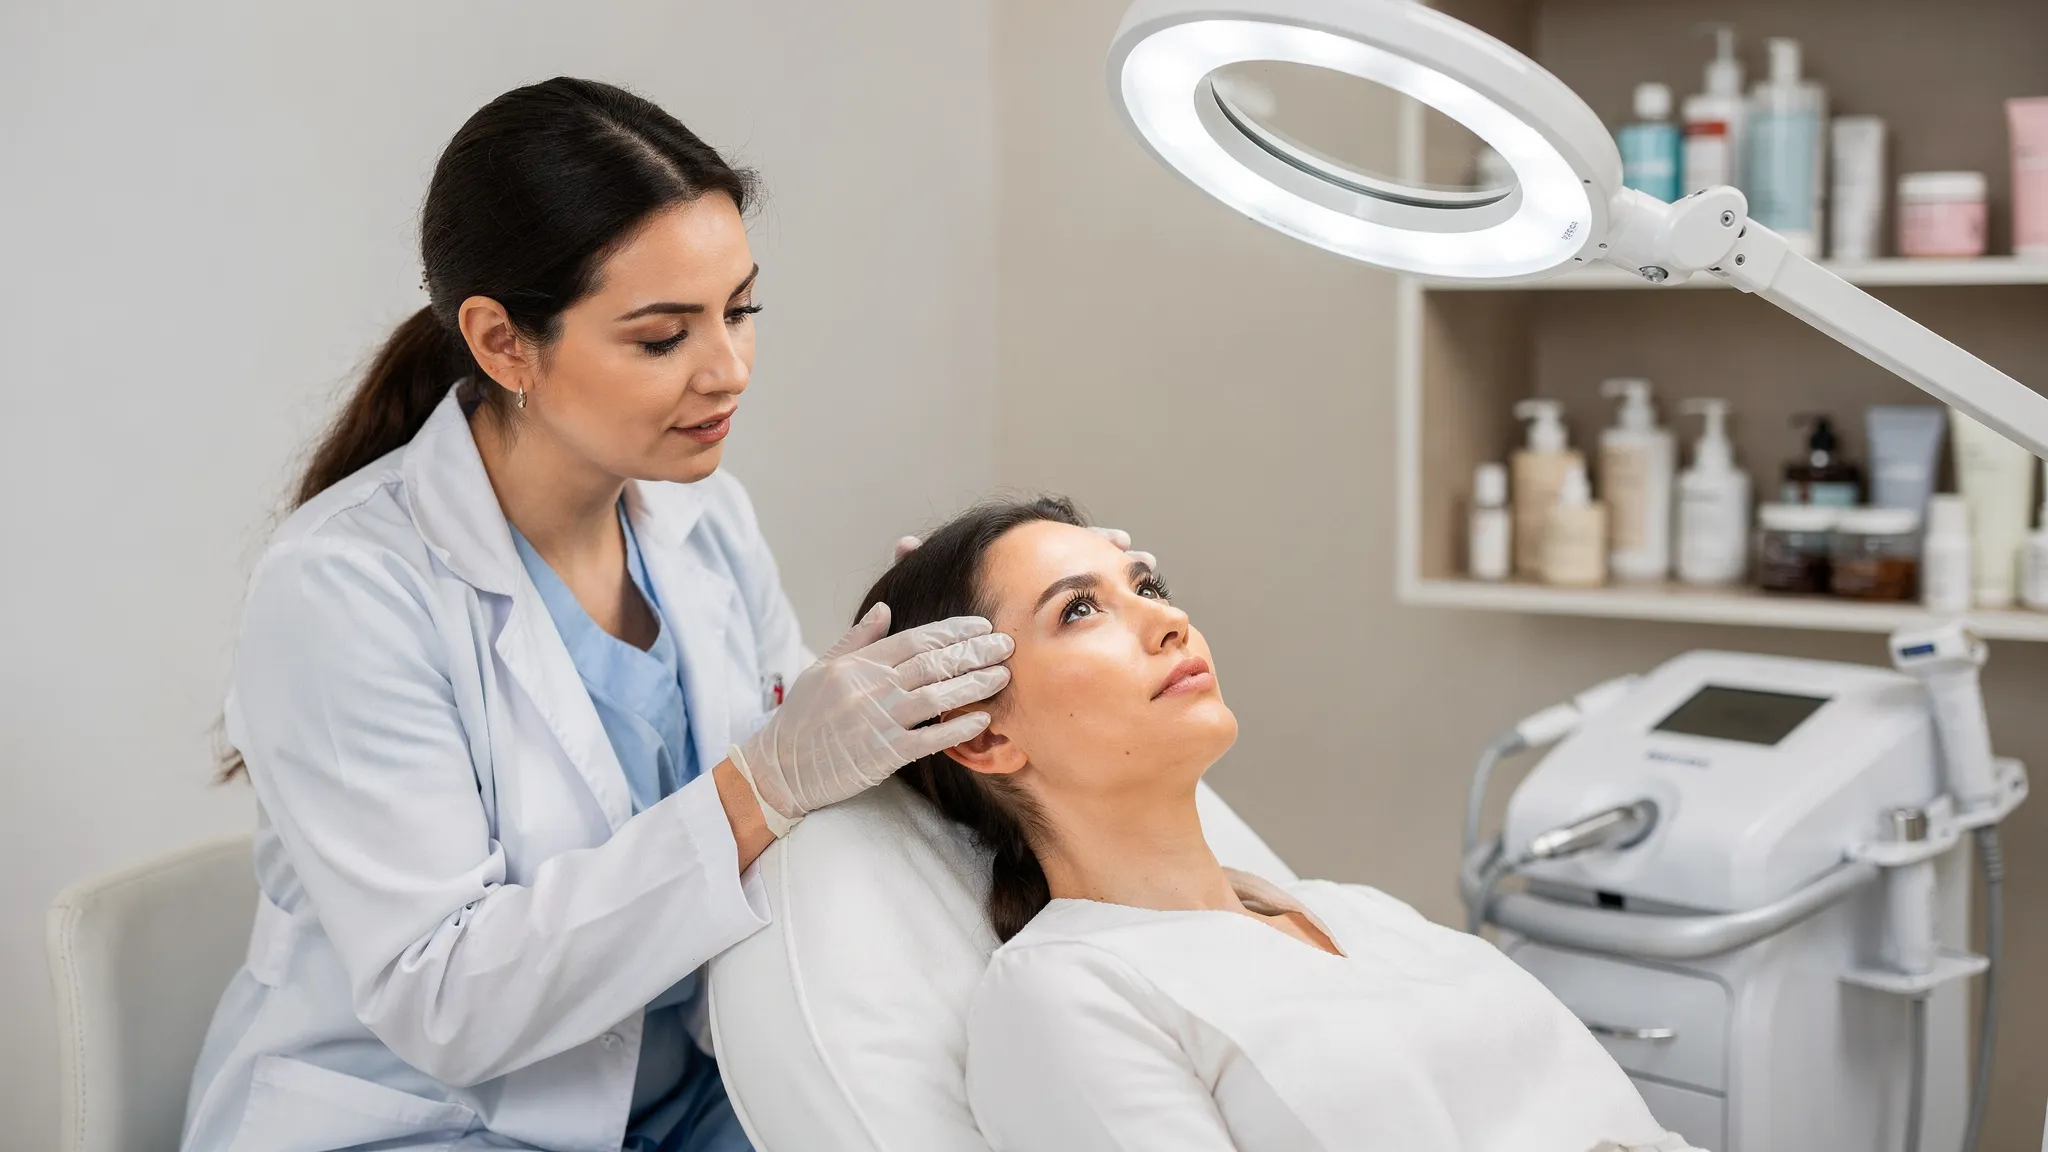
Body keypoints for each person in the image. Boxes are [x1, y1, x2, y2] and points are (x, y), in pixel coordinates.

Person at [182, 79, 1144, 1152]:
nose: (726, 369)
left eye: (740, 310)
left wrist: (929, 658)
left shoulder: (701, 519)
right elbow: (445, 999)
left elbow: (798, 790)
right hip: (430, 1122)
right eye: (659, 337)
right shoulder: (344, 591)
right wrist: (765, 779)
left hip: (693, 1091)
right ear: (503, 344)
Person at [860, 496, 1701, 1152]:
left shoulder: (1365, 916)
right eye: (1080, 611)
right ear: (985, 736)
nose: (1168, 620)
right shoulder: (1068, 992)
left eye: (1145, 587)